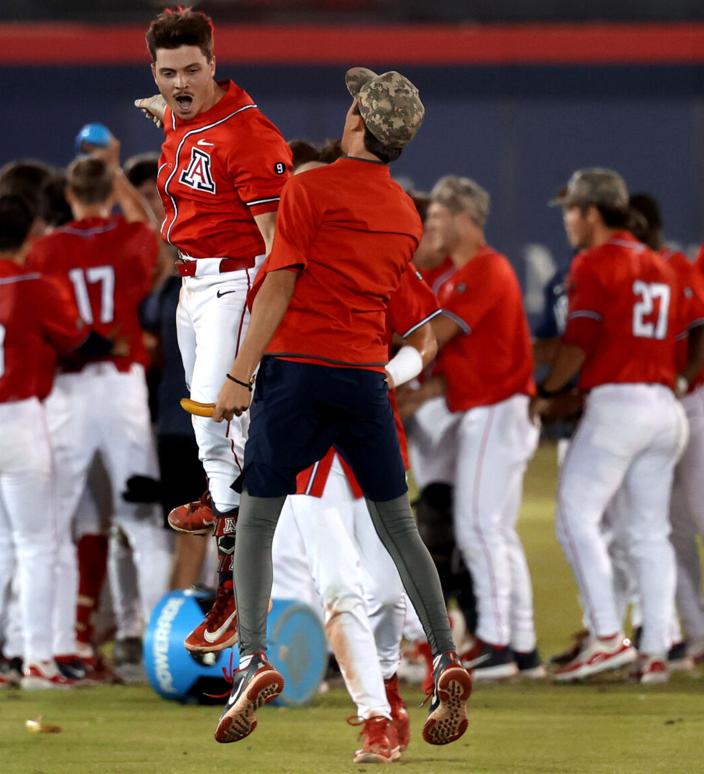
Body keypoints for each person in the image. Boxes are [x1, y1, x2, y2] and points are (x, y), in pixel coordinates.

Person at [210, 67, 471, 747]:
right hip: (362, 378)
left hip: (297, 371)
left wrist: (239, 374)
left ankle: (252, 658)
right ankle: (445, 654)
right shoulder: (405, 212)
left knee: (258, 519)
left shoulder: (310, 187)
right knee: (400, 527)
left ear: (356, 117)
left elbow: (280, 283)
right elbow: (419, 325)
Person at [134, 6, 292, 653]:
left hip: (235, 281)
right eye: (168, 72)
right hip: (193, 284)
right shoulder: (183, 114)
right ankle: (226, 514)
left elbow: (279, 250)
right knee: (213, 439)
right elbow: (178, 114)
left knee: (215, 421)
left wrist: (249, 356)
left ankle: (235, 590)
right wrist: (165, 108)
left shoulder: (249, 135)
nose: (180, 83)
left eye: (192, 70)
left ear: (214, 64)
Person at [0, 194, 119, 690]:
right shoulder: (35, 286)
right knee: (38, 544)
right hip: (14, 419)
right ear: (30, 234)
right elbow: (78, 343)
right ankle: (38, 661)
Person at [537, 168, 702, 683]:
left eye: (571, 209)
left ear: (592, 212)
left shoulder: (594, 261)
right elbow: (678, 344)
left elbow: (578, 343)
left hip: (619, 404)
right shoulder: (660, 263)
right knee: (649, 532)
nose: (567, 219)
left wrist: (548, 392)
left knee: (574, 515)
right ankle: (655, 650)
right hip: (665, 404)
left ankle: (607, 636)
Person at [271, 264, 440, 763]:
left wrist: (386, 375)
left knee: (386, 594)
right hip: (306, 440)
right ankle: (374, 719)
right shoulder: (284, 258)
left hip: (371, 435)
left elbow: (425, 339)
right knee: (339, 587)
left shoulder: (382, 252)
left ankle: (386, 685)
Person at [27, 155, 168, 679]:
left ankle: (51, 644)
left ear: (69, 197)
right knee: (143, 521)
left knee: (53, 520)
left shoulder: (46, 249)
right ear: (109, 195)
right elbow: (157, 241)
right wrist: (121, 184)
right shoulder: (130, 236)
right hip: (121, 387)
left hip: (67, 389)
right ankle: (156, 647)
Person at [403, 176, 542, 679]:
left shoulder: (484, 269)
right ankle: (521, 646)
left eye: (440, 216)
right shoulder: (463, 272)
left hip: (495, 408)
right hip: (491, 408)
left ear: (465, 219)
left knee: (479, 528)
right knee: (496, 531)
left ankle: (496, 645)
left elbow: (434, 336)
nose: (433, 225)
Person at [629, 192, 704, 664]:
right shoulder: (637, 267)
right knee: (672, 531)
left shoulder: (677, 264)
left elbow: (700, 329)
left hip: (692, 401)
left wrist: (681, 377)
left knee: (698, 514)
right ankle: (696, 634)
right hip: (662, 409)